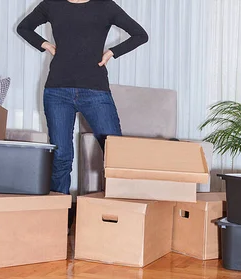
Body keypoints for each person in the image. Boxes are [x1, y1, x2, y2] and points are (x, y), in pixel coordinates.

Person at [17, 0, 148, 197]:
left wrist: (112, 52)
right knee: (61, 157)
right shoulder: (52, 4)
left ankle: (121, 211)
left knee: (115, 152)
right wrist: (46, 45)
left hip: (95, 91)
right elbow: (24, 27)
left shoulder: (105, 5)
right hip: (57, 92)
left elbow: (140, 35)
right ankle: (59, 215)